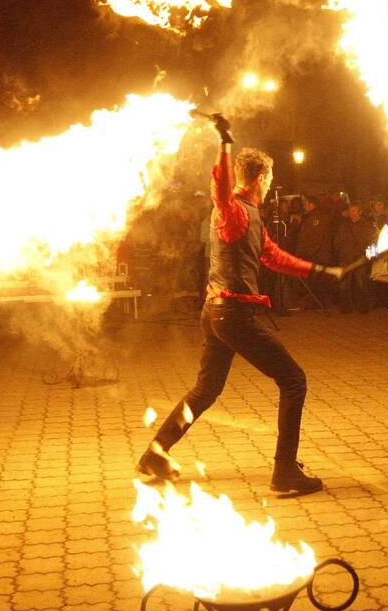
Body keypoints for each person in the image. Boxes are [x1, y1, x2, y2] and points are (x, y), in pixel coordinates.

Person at [138, 116, 343, 497]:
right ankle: (284, 472)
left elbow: (273, 256)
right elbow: (219, 187)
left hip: (217, 314)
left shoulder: (252, 216)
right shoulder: (232, 210)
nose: (269, 187)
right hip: (232, 314)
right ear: (261, 178)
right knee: (294, 380)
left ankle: (157, 452)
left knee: (205, 390)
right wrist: (225, 141)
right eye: (268, 181)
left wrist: (317, 269)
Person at [332, 201, 375, 314]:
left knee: (361, 283)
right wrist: (339, 252)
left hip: (359, 259)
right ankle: (346, 307)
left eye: (354, 210)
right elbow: (337, 240)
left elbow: (370, 241)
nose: (352, 213)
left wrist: (365, 255)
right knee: (344, 284)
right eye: (350, 210)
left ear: (360, 212)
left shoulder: (366, 226)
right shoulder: (344, 225)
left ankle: (362, 307)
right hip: (345, 258)